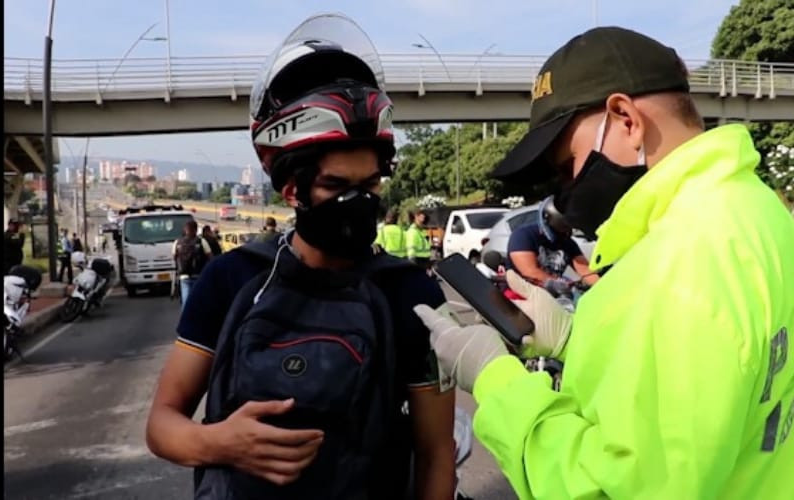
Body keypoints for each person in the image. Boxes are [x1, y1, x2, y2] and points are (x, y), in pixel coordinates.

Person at [413, 26, 794, 499]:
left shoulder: (679, 263)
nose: (564, 186)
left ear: (625, 119)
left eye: (565, 162)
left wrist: (495, 379)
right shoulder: (756, 209)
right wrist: (576, 340)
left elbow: (616, 488)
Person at [146, 13, 455, 500]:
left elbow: (437, 453)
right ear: (292, 190)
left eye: (370, 185)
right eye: (336, 186)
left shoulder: (412, 292)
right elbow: (163, 424)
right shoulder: (231, 280)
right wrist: (218, 443)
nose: (360, 201)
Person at [506, 196, 598, 301]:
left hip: (554, 296)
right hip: (523, 296)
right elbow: (529, 272)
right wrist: (560, 283)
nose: (567, 231)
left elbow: (585, 271)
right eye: (563, 225)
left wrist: (604, 287)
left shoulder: (567, 242)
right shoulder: (523, 236)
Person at [172, 220, 212, 306]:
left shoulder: (177, 242)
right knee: (200, 300)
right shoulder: (201, 241)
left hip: (184, 275)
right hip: (199, 275)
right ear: (196, 230)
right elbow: (210, 257)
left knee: (186, 301)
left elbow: (174, 257)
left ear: (185, 230)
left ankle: (186, 318)